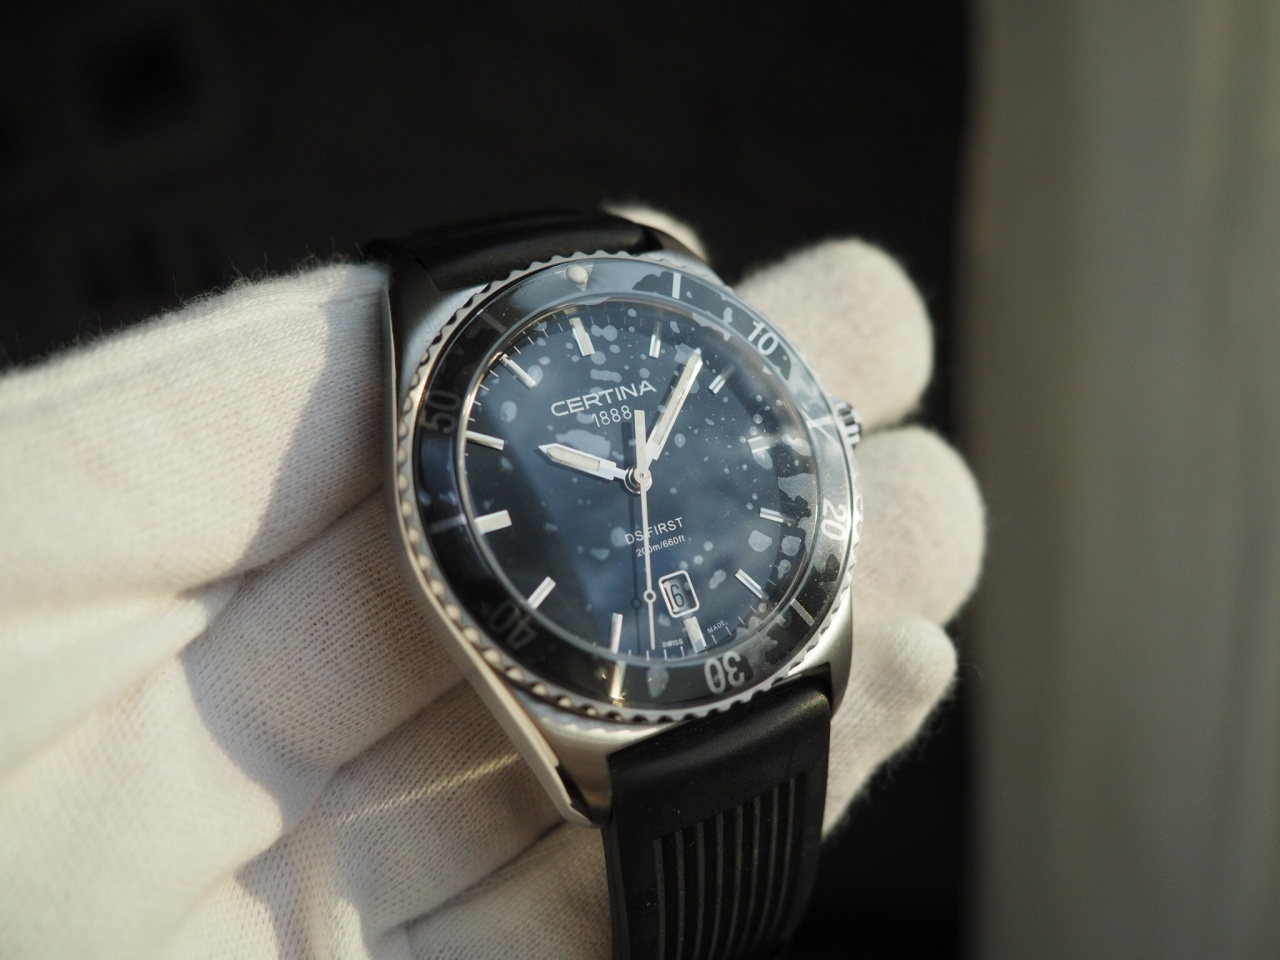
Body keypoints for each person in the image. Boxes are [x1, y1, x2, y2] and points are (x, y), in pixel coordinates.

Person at [0, 211, 984, 958]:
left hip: (759, 660)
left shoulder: (715, 364)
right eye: (622, 465)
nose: (637, 473)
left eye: (639, 459)